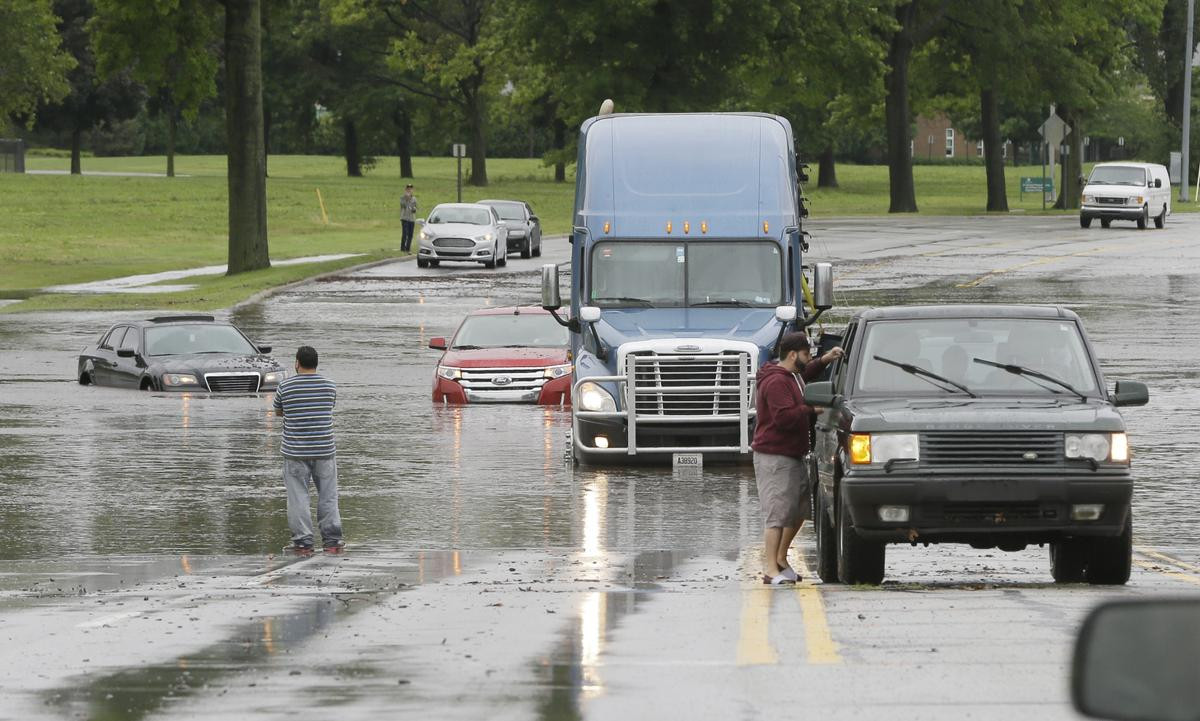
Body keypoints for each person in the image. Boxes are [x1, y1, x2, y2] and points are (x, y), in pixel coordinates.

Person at [752, 332, 843, 584]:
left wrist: (825, 359)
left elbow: (806, 374)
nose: (809, 357)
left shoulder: (791, 376)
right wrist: (811, 410)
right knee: (777, 514)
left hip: (792, 454)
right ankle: (770, 570)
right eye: (806, 354)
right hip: (774, 457)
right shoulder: (776, 382)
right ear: (793, 355)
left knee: (799, 511)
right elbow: (783, 418)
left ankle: (781, 559)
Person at [273, 346, 344, 555]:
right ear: (316, 363)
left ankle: (303, 543)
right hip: (324, 450)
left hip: (294, 453)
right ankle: (332, 542)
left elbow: (278, 411)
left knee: (298, 498)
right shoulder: (329, 386)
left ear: (297, 363)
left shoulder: (285, 387)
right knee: (328, 496)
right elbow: (329, 407)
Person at [400, 183, 418, 252]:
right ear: (405, 190)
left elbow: (415, 207)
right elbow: (403, 205)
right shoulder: (402, 198)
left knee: (410, 235)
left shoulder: (414, 198)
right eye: (408, 189)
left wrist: (414, 209)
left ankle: (408, 248)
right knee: (405, 234)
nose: (409, 190)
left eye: (410, 189)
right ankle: (402, 248)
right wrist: (407, 198)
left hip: (412, 219)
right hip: (405, 218)